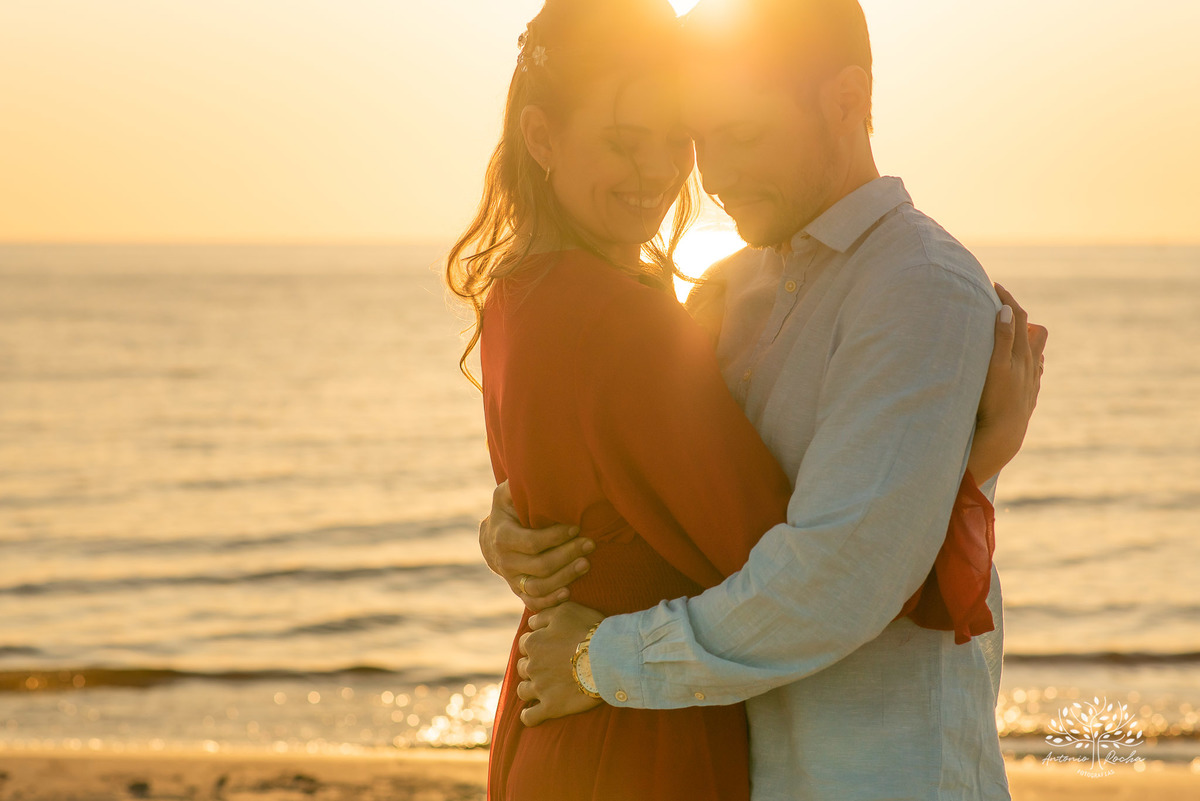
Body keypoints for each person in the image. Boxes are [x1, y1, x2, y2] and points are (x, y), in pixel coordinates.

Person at [478, 1, 1049, 799]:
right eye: (703, 140)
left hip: (881, 774)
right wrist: (510, 520)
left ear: (847, 104)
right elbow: (625, 468)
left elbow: (838, 576)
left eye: (743, 137)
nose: (713, 177)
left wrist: (599, 658)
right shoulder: (730, 290)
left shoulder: (917, 288)